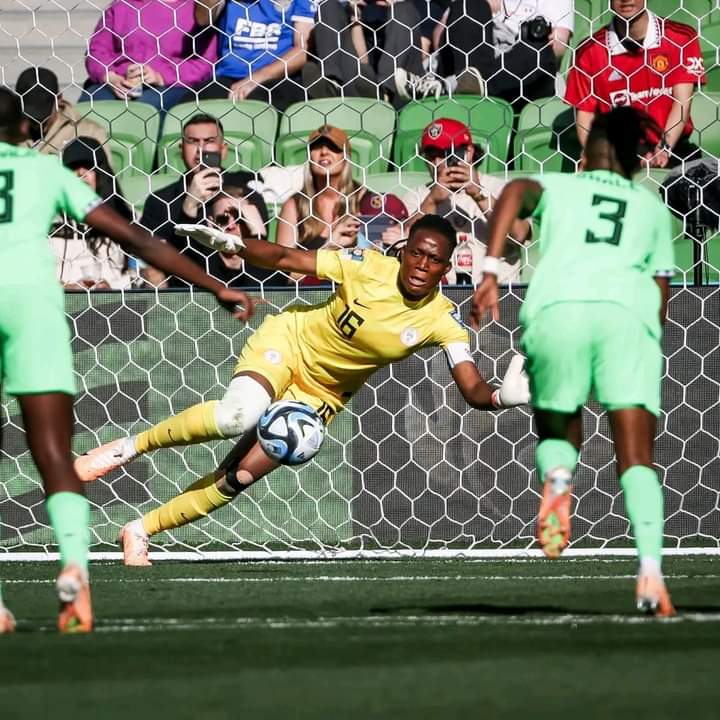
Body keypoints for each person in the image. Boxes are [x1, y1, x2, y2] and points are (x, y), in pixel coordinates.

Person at [75, 213, 530, 566]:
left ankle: (139, 529)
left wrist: (498, 399)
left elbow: (470, 386)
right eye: (416, 253)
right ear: (404, 251)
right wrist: (236, 246)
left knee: (240, 477)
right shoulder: (367, 266)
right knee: (239, 415)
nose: (421, 266)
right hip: (288, 344)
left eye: (434, 261)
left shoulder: (441, 320)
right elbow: (287, 259)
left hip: (322, 396)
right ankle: (127, 449)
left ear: (445, 268)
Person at [0, 86, 254, 634]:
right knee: (51, 451)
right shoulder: (49, 176)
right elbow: (139, 240)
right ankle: (74, 570)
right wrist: (215, 285)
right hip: (35, 310)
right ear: (27, 130)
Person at [470, 107, 676, 617]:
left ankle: (559, 477)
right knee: (636, 457)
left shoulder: (560, 188)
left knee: (559, 429)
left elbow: (515, 190)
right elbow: (660, 286)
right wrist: (644, 337)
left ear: (584, 155)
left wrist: (491, 271)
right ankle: (650, 574)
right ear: (634, 160)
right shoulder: (651, 208)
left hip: (557, 310)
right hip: (626, 316)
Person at [564, 0, 705, 168]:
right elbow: (585, 115)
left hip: (674, 147)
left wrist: (663, 149)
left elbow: (682, 102)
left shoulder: (682, 37)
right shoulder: (588, 51)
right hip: (617, 153)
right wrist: (593, 153)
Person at [395, 118, 531, 282]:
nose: (438, 162)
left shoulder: (502, 189)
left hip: (498, 294)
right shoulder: (417, 195)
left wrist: (478, 193)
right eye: (431, 155)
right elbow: (401, 246)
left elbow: (520, 234)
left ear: (469, 152)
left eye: (447, 153)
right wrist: (432, 201)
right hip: (438, 297)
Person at [139, 113, 263, 286]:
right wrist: (189, 206)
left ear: (223, 149)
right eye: (193, 141)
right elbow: (159, 263)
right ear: (181, 149)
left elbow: (258, 257)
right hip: (183, 295)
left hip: (241, 289)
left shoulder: (247, 194)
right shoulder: (159, 201)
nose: (201, 149)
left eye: (209, 141)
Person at [395, 0, 574, 107]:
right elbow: (439, 37)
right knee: (469, 5)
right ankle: (468, 84)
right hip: (468, 60)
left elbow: (558, 45)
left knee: (540, 52)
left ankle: (449, 87)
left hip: (518, 68)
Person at [83, 0, 217, 112]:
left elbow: (205, 63)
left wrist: (160, 76)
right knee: (90, 104)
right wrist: (110, 76)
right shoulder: (123, 5)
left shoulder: (199, 10)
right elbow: (97, 49)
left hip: (171, 86)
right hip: (119, 82)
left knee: (143, 109)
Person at [276, 125, 366, 283]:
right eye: (316, 147)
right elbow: (285, 276)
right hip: (310, 296)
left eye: (333, 147)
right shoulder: (295, 205)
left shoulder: (365, 198)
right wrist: (329, 247)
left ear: (346, 157)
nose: (324, 152)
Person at [191, 0, 314, 112]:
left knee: (255, 109)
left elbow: (303, 50)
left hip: (278, 78)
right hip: (227, 77)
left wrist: (257, 78)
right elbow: (202, 19)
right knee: (191, 110)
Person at [306, 0, 427, 107]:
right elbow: (362, 62)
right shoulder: (356, 7)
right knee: (328, 7)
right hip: (363, 87)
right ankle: (331, 85)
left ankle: (385, 93)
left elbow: (422, 52)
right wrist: (356, 21)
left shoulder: (418, 5)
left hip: (401, 84)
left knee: (403, 10)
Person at [51, 137, 134, 289]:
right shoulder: (47, 224)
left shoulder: (125, 222)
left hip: (115, 307)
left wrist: (111, 287)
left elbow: (140, 277)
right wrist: (63, 288)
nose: (81, 172)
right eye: (73, 167)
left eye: (89, 166)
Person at [15, 67, 108, 157]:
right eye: (28, 114)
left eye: (41, 115)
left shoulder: (89, 132)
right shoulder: (10, 130)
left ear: (59, 99)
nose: (35, 121)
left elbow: (104, 171)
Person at [203, 186, 284, 287]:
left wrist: (258, 235)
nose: (231, 226)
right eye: (223, 219)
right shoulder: (200, 265)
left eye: (240, 218)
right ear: (211, 223)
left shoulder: (273, 268)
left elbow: (266, 289)